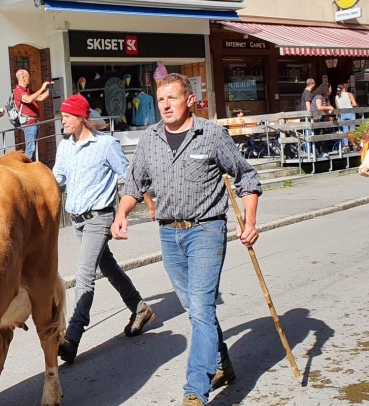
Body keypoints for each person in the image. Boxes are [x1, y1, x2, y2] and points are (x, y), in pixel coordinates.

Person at [111, 73, 262, 406]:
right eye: (160, 99)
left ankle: (196, 390)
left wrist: (250, 222)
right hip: (168, 233)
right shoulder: (150, 139)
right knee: (196, 309)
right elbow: (134, 183)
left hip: (206, 230)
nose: (165, 105)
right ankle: (223, 363)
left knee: (202, 310)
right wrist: (122, 215)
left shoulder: (211, 135)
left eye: (172, 98)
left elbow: (247, 177)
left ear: (190, 100)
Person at [52, 95, 156, 364]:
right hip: (77, 220)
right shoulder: (65, 147)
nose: (62, 120)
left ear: (80, 117)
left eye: (67, 115)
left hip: (100, 218)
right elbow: (56, 181)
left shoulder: (107, 145)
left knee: (84, 274)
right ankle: (140, 307)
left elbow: (130, 177)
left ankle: (72, 337)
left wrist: (149, 204)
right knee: (108, 267)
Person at [13, 69, 51, 160]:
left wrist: (50, 90)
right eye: (28, 77)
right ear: (23, 78)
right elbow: (29, 99)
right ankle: (25, 169)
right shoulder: (18, 91)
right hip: (29, 123)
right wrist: (42, 88)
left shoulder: (28, 91)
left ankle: (31, 168)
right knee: (30, 149)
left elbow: (41, 97)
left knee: (34, 148)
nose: (30, 79)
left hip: (35, 122)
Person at [336, 82, 357, 151]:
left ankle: (346, 145)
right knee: (352, 130)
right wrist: (350, 104)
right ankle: (354, 144)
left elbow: (338, 107)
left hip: (342, 114)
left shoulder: (337, 96)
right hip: (350, 112)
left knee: (345, 130)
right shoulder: (349, 94)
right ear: (344, 88)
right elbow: (355, 104)